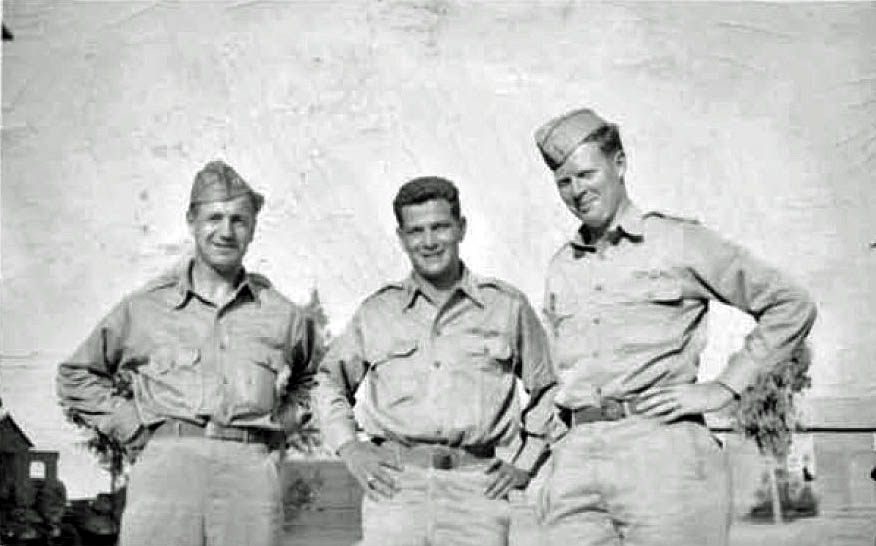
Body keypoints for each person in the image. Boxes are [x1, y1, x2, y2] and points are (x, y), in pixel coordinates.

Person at [532, 108, 817, 545]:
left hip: (662, 454)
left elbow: (790, 305)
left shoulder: (677, 241)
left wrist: (725, 388)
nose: (577, 191)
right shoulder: (561, 266)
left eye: (587, 175)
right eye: (564, 182)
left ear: (619, 164)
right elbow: (558, 373)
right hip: (575, 462)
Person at [56, 160, 317, 546]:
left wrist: (284, 425)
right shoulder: (145, 308)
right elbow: (76, 374)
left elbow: (318, 379)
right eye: (214, 218)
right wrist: (131, 427)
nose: (225, 231)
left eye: (238, 220)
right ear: (191, 221)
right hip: (166, 473)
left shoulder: (280, 313)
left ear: (253, 229)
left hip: (249, 475)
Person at [314, 176, 557, 546]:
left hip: (478, 491)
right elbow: (327, 381)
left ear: (461, 228)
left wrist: (525, 461)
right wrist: (350, 448)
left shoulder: (506, 306)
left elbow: (549, 385)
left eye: (440, 227)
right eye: (416, 231)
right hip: (395, 490)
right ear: (401, 238)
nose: (429, 242)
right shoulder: (377, 312)